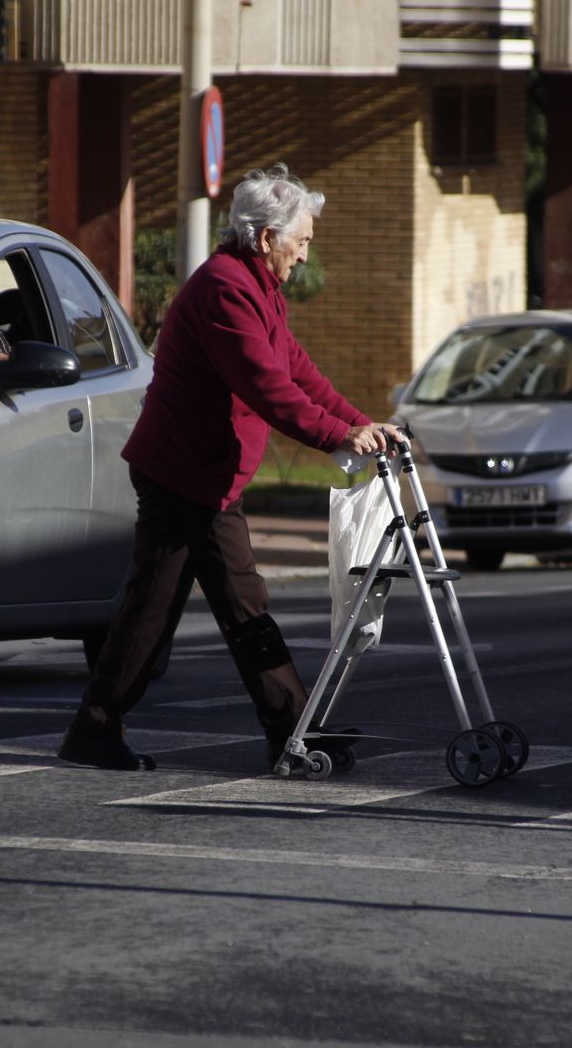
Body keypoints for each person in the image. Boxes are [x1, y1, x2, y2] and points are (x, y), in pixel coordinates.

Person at [58, 163, 403, 773]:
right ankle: (99, 729)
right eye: (301, 240)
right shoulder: (225, 289)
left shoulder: (255, 285)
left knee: (229, 606)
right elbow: (267, 386)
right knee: (159, 612)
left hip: (209, 475)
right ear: (267, 238)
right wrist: (337, 436)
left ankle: (291, 733)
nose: (305, 253)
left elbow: (297, 369)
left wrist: (359, 422)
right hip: (183, 475)